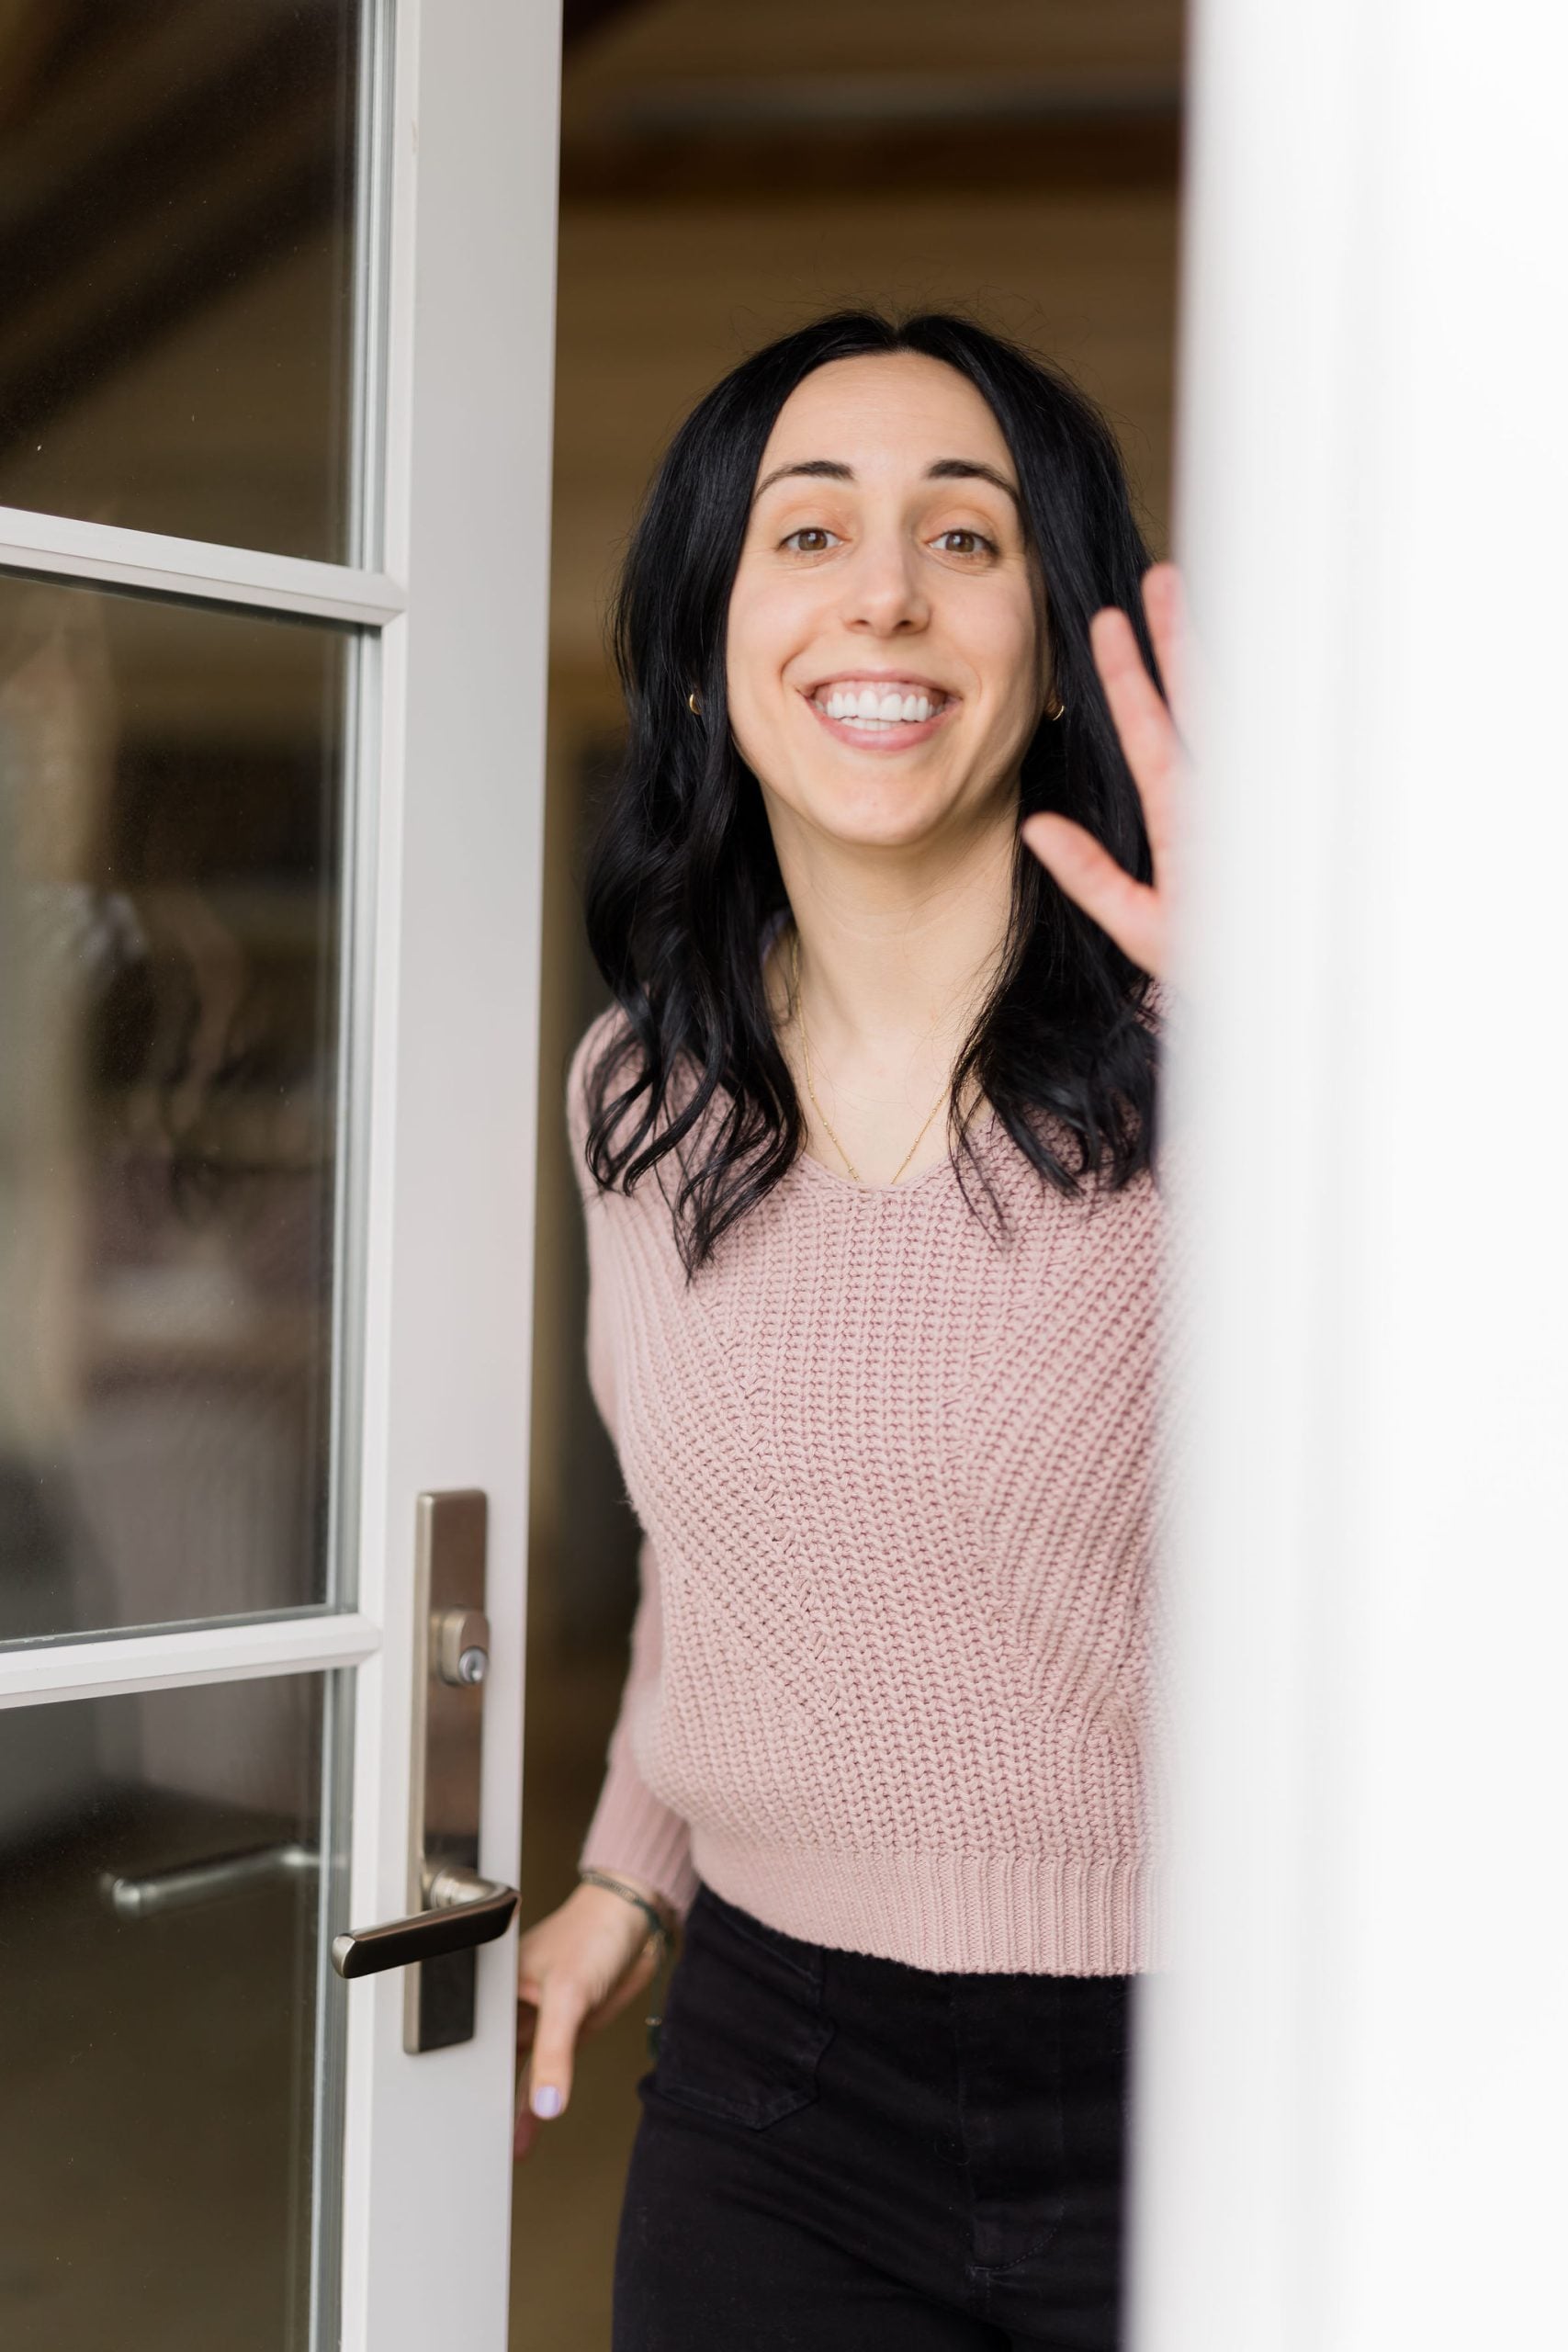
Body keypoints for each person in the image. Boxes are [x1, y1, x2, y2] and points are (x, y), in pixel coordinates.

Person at [513, 308, 1184, 2350]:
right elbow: (712, 1560)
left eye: (961, 537)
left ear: (1059, 640)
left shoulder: (1230, 1056)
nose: (879, 589)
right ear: (714, 624)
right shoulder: (639, 1094)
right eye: (804, 534)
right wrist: (628, 1871)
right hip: (774, 2084)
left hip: (1207, 2067)